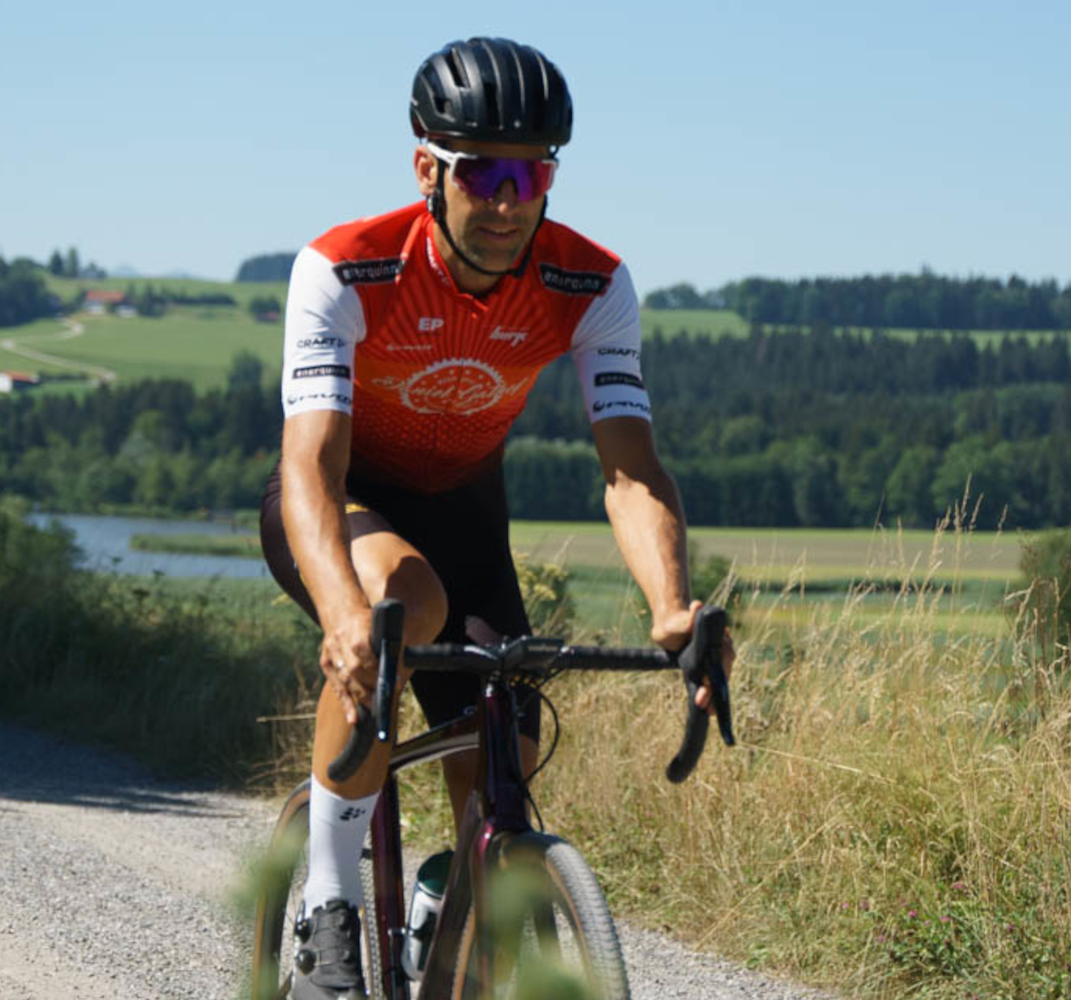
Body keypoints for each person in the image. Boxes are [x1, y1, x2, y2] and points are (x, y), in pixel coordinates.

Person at [259, 36, 725, 1000]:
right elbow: (311, 460)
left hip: (466, 509)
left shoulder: (589, 284)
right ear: (427, 167)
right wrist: (344, 614)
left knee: (505, 753)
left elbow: (630, 472)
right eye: (485, 173)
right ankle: (330, 910)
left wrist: (672, 608)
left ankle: (443, 898)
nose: (510, 200)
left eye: (533, 171)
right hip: (344, 503)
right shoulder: (347, 269)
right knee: (404, 606)